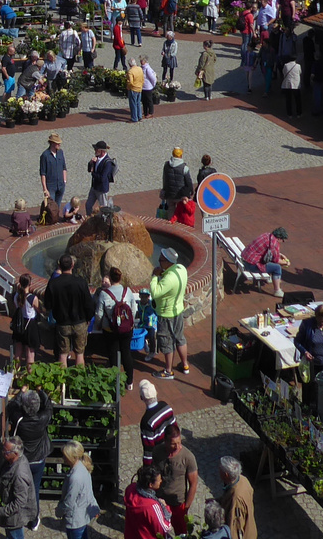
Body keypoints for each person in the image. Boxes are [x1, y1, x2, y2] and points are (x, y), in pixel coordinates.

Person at [5, 387, 53, 528]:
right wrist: (41, 391)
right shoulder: (43, 418)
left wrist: (21, 392)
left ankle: (18, 517)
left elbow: (11, 406)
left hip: (23, 461)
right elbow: (49, 407)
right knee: (35, 490)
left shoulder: (19, 419)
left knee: (19, 489)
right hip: (38, 459)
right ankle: (33, 520)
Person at [45, 254, 97, 366]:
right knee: (79, 354)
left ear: (59, 265)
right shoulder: (81, 282)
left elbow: (48, 304)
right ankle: (78, 381)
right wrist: (88, 318)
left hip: (62, 323)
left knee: (62, 354)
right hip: (80, 322)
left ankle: (62, 382)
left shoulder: (53, 283)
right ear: (72, 265)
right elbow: (88, 303)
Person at [96, 266, 138, 391]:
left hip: (110, 330)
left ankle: (116, 381)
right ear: (120, 277)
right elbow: (134, 309)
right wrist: (129, 323)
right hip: (126, 330)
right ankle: (129, 382)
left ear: (110, 278)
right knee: (126, 353)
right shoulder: (127, 291)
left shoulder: (104, 294)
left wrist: (98, 324)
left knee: (112, 354)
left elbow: (99, 314)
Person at [151, 248, 190, 378]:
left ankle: (168, 371)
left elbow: (155, 292)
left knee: (166, 342)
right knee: (180, 338)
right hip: (178, 311)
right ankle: (185, 365)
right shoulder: (181, 269)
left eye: (161, 260)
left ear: (168, 262)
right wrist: (163, 273)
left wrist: (155, 276)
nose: (159, 262)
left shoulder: (169, 279)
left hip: (166, 315)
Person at [157, 424, 198, 535]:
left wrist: (186, 507)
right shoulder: (157, 452)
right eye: (173, 444)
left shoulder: (188, 457)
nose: (177, 446)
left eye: (179, 442)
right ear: (165, 441)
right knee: (159, 531)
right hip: (161, 502)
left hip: (178, 504)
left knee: (181, 534)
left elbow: (193, 484)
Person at [0, 436, 36, 539]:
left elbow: (20, 501)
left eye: (6, 451)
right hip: (11, 515)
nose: (3, 453)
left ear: (16, 454)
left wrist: (1, 511)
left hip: (15, 518)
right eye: (3, 449)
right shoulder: (13, 461)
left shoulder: (19, 474)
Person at [59, 440, 100, 539]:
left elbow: (69, 501)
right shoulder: (82, 468)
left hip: (75, 519)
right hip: (82, 516)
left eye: (65, 455)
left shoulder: (75, 477)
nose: (63, 458)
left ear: (71, 457)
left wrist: (59, 511)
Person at [240, 227, 290, 299]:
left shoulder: (267, 235)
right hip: (251, 265)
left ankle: (271, 278)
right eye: (283, 240)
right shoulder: (274, 243)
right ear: (279, 238)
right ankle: (277, 291)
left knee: (268, 259)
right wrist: (286, 263)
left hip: (245, 258)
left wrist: (280, 255)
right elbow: (276, 260)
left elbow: (269, 252)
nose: (282, 242)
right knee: (277, 268)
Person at [138, 380, 176, 463]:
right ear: (156, 393)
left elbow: (149, 449)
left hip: (159, 457)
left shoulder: (146, 421)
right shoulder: (166, 407)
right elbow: (175, 430)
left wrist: (147, 469)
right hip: (172, 451)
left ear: (141, 398)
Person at [158, 146, 193, 218]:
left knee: (170, 211)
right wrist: (190, 192)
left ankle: (171, 226)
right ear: (180, 155)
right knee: (181, 212)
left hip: (169, 194)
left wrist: (164, 190)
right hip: (180, 195)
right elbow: (188, 182)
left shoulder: (166, 165)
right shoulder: (184, 168)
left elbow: (165, 179)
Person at [40, 132, 67, 215]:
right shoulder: (45, 155)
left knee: (58, 206)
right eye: (57, 143)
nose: (59, 145)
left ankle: (56, 219)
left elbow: (64, 167)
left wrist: (64, 180)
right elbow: (43, 173)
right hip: (51, 186)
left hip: (61, 184)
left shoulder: (60, 152)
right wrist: (45, 188)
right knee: (51, 207)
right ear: (52, 143)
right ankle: (51, 220)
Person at [87, 140, 117, 212]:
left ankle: (105, 222)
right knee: (88, 205)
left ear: (101, 151)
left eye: (96, 149)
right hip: (94, 187)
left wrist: (93, 173)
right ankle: (90, 221)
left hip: (101, 189)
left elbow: (102, 178)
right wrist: (91, 163)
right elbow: (89, 169)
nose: (94, 151)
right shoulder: (96, 158)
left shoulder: (107, 163)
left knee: (104, 209)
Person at [126, 56, 145, 122]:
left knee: (133, 104)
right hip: (139, 88)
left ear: (129, 64)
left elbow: (130, 82)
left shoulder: (130, 71)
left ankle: (134, 118)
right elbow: (143, 78)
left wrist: (128, 85)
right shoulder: (140, 69)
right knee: (138, 103)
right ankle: (139, 116)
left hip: (133, 89)